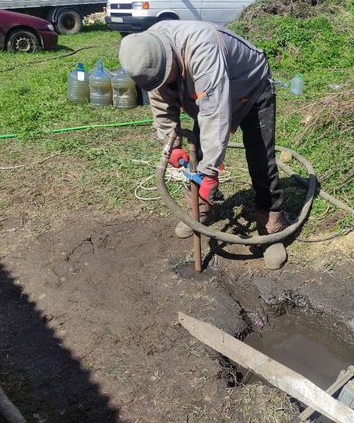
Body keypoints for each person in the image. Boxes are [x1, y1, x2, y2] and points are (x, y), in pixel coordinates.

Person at [119, 20, 287, 269]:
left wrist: (210, 172)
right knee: (197, 149)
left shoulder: (202, 48)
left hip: (251, 87)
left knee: (260, 157)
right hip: (208, 94)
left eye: (167, 78)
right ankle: (202, 209)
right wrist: (171, 141)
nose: (164, 84)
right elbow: (161, 101)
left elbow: (214, 113)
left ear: (172, 59)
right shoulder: (148, 51)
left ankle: (271, 225)